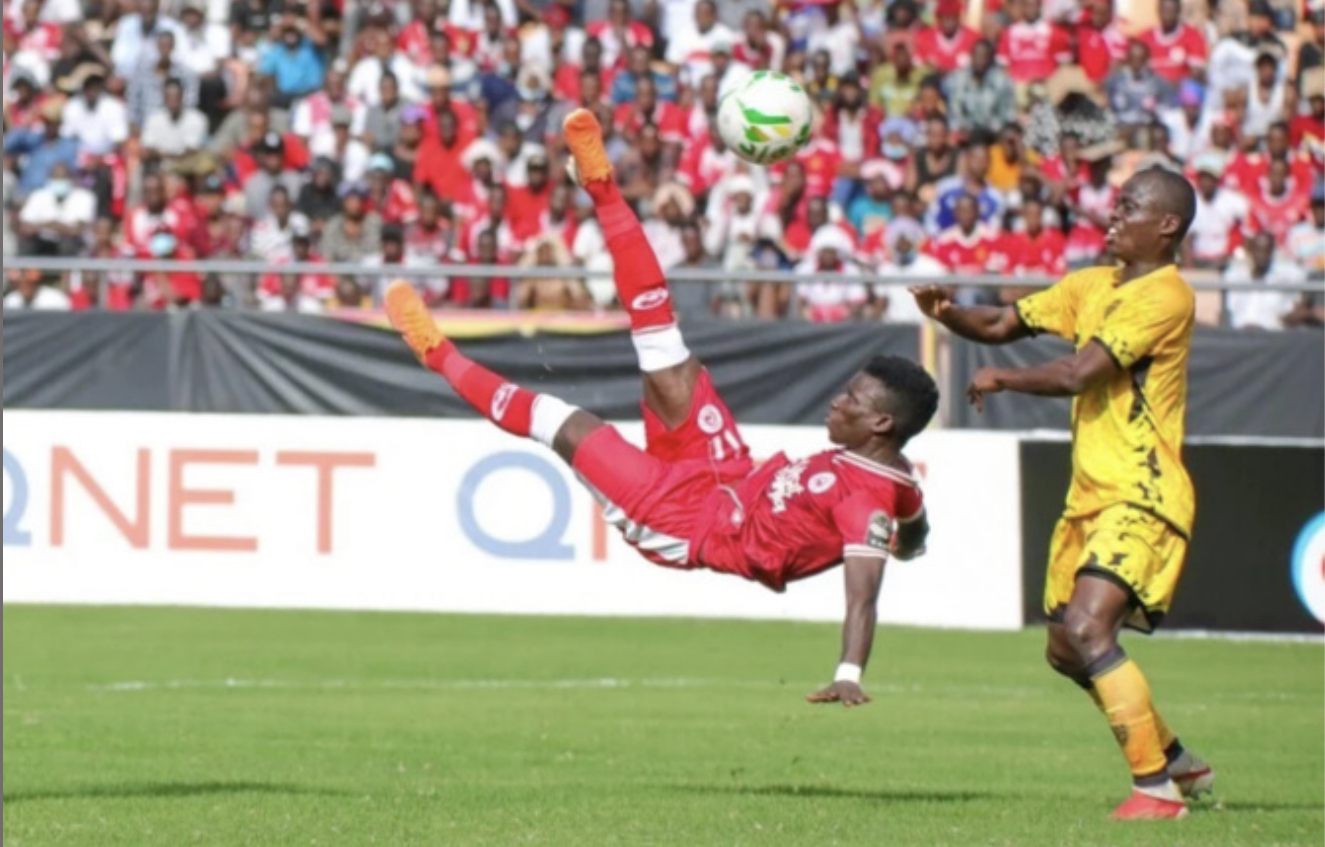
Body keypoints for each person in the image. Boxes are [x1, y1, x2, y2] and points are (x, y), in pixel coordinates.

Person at [382, 109, 937, 706]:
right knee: (661, 336)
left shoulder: (864, 504)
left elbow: (863, 594)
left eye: (852, 398)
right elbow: (912, 516)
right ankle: (600, 184)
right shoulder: (894, 489)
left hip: (686, 522)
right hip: (730, 471)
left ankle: (436, 354)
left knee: (560, 420)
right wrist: (912, 539)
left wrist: (849, 673)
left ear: (883, 422)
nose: (837, 400)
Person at [910, 167, 1213, 820]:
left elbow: (1081, 372)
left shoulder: (1165, 296)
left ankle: (1155, 789)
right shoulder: (1090, 285)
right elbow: (1001, 322)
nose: (1112, 213)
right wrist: (947, 313)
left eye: (1128, 206)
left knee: (1087, 625)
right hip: (1089, 495)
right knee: (1061, 646)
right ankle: (1178, 758)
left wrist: (1002, 381)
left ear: (1165, 225)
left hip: (1141, 490)